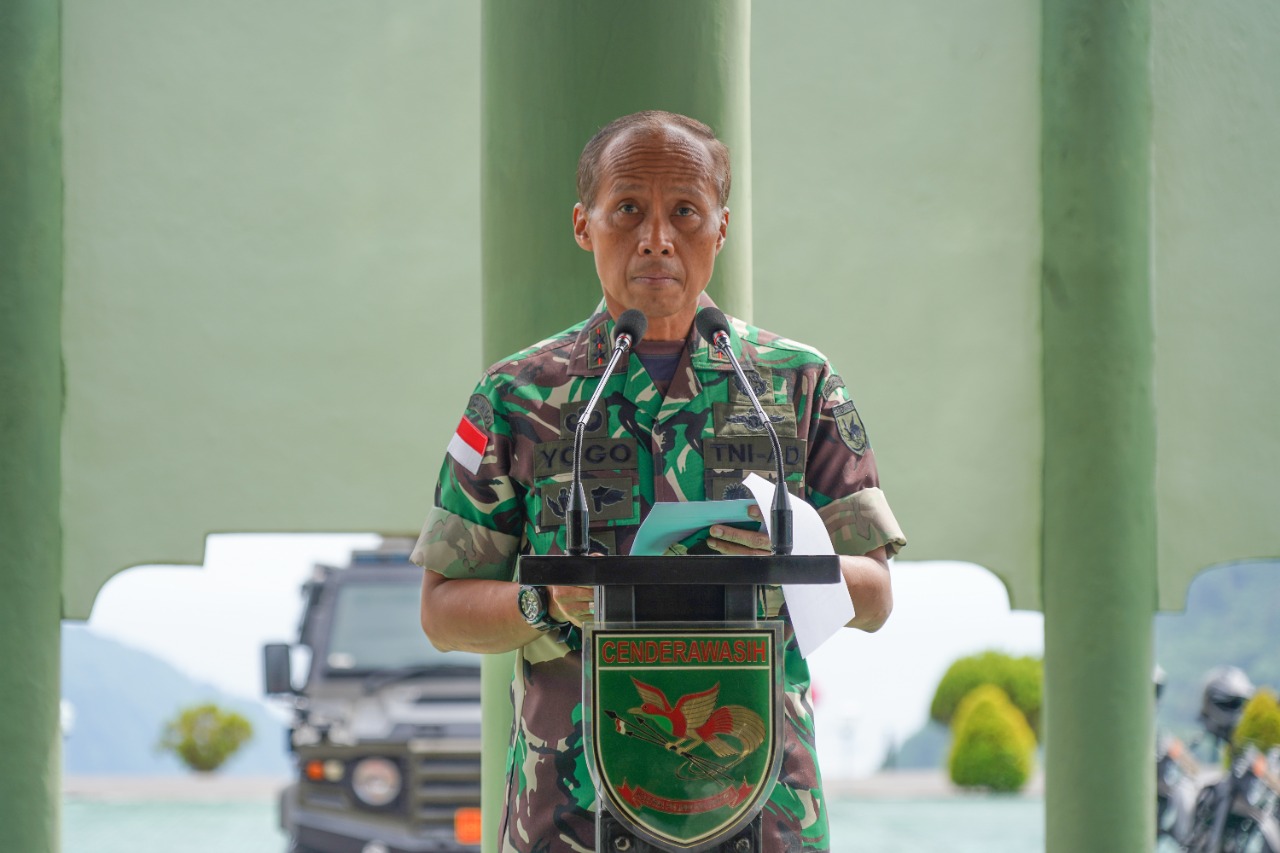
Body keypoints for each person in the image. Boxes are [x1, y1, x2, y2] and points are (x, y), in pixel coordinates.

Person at [414, 110, 906, 852]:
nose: (656, 238)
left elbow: (874, 596)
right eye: (627, 210)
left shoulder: (795, 384)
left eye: (684, 212)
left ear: (721, 228)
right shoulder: (518, 395)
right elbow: (443, 609)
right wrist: (543, 602)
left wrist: (794, 563)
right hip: (570, 814)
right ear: (583, 225)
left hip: (763, 811)